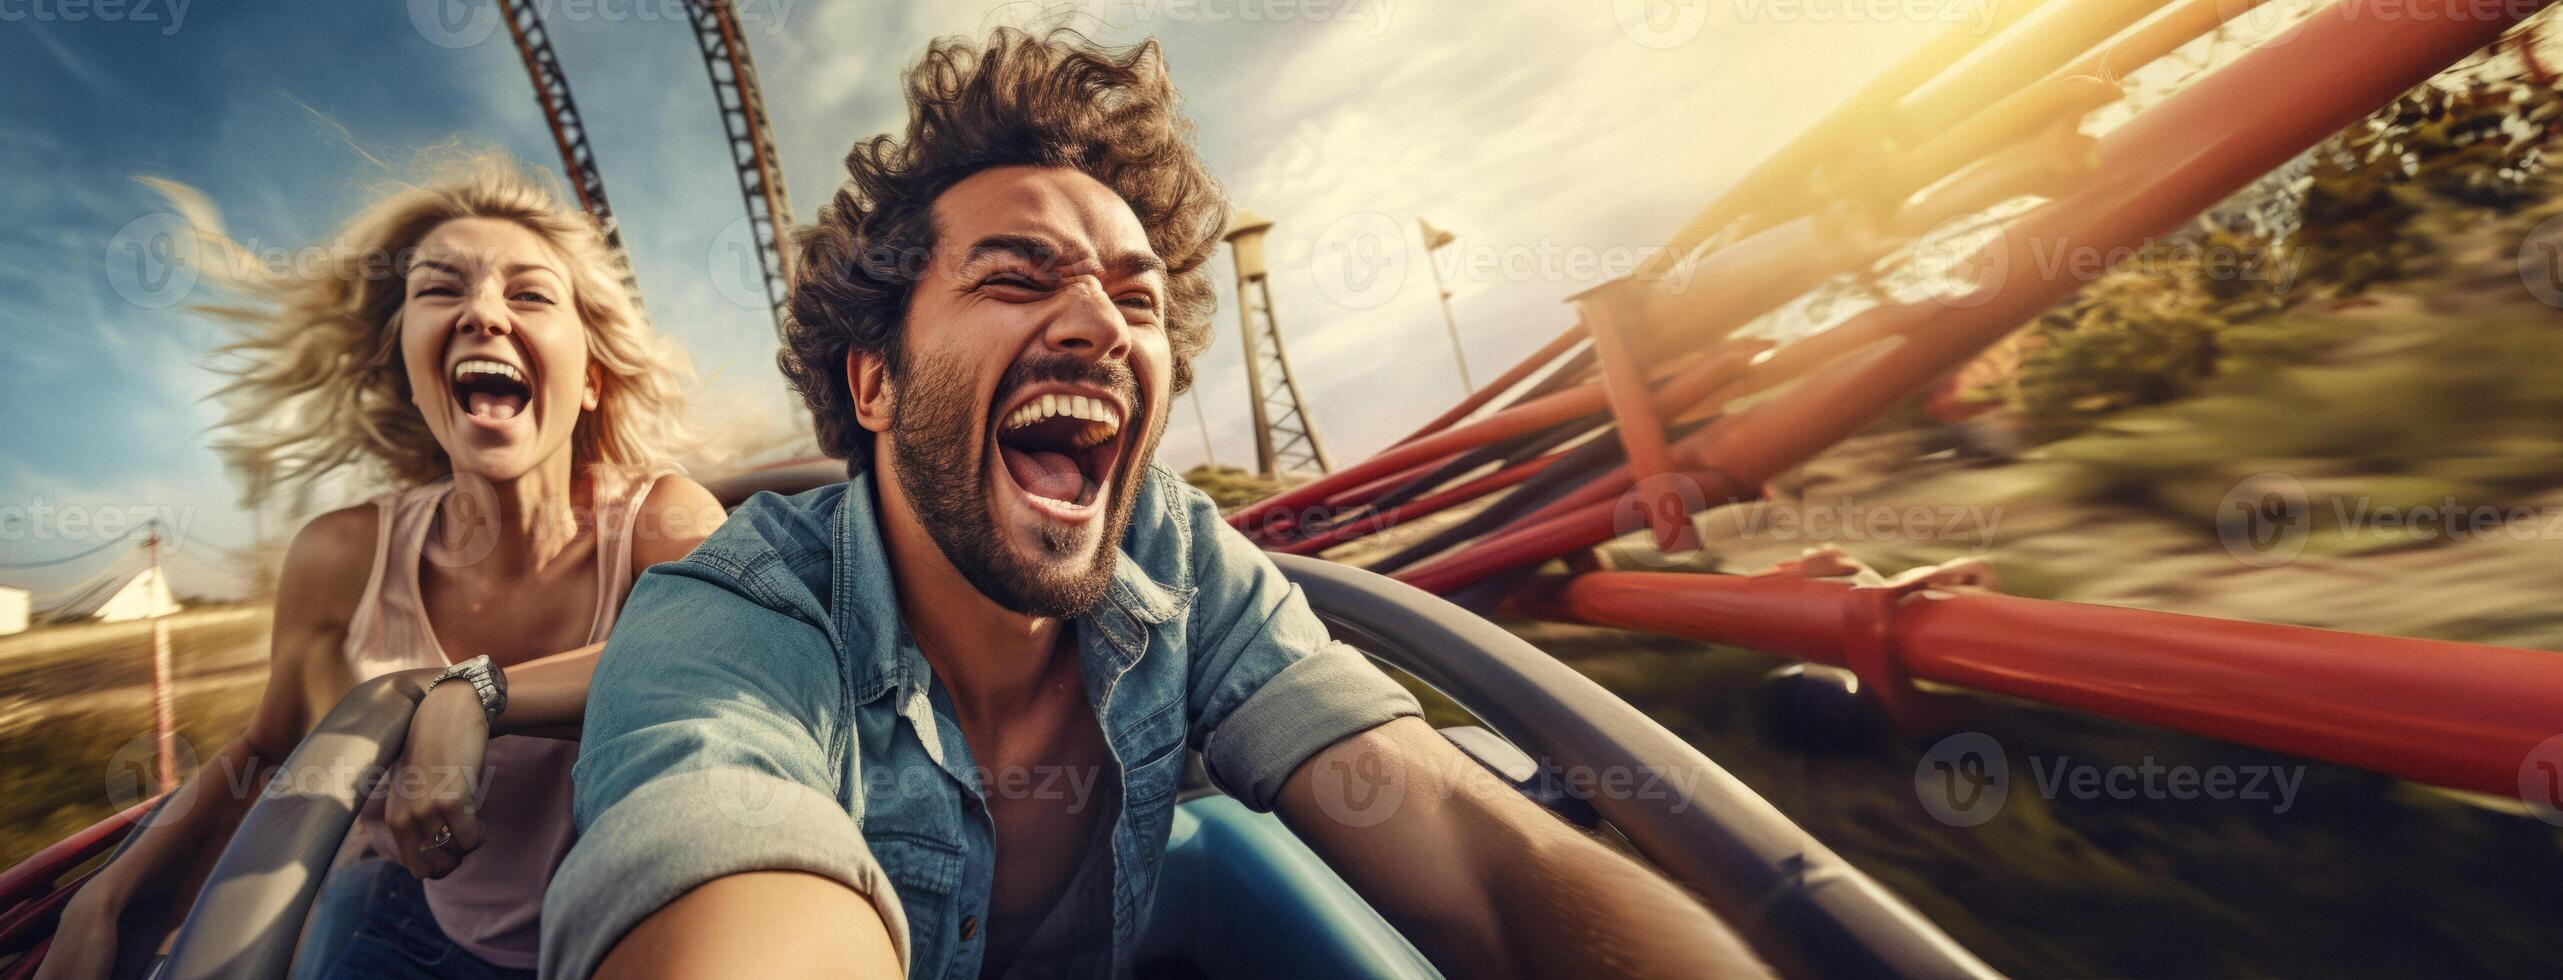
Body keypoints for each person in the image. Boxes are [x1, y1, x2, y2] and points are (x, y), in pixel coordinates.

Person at [540, 29, 1764, 980]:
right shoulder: (737, 610)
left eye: (1135, 300)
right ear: (873, 380)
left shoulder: (1178, 554)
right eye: (1016, 277)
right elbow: (729, 890)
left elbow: (1482, 859)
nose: (1096, 323)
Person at [39, 154, 724, 980]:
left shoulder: (663, 520)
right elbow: (267, 748)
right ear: (408, 366)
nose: (481, 312)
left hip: (627, 940)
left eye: (530, 293)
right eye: (440, 288)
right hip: (412, 929)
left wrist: (470, 693)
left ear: (592, 378)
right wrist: (109, 894)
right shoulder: (342, 554)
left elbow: (720, 658)